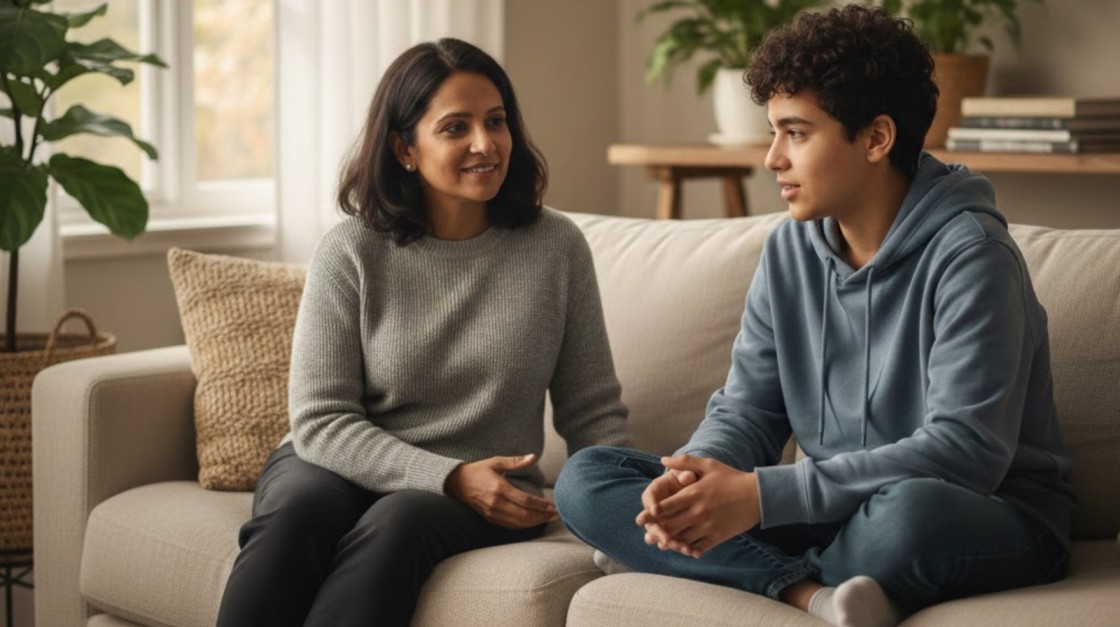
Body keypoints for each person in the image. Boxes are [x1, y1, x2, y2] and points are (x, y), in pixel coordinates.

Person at [554, 6, 1075, 627]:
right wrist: (693, 479)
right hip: (829, 511)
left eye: (796, 133)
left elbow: (964, 453)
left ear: (877, 138)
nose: (772, 157)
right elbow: (748, 411)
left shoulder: (974, 257)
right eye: (773, 131)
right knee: (587, 478)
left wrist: (760, 497)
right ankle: (809, 593)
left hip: (981, 512)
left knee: (906, 519)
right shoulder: (790, 249)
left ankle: (709, 562)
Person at [216, 38, 632, 627]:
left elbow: (593, 413)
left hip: (484, 485)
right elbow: (319, 420)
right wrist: (447, 476)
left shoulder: (555, 248)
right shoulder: (351, 251)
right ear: (404, 148)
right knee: (298, 513)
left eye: (496, 121)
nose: (485, 144)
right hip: (335, 463)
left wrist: (633, 510)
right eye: (455, 127)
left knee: (401, 521)